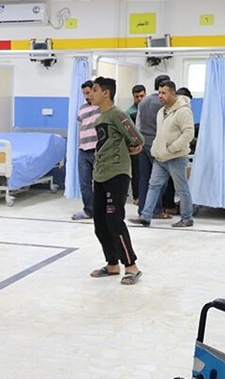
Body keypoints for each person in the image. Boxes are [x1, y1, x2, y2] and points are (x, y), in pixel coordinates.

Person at [87, 77, 144, 286]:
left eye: (94, 90)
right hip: (100, 174)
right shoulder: (99, 119)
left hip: (117, 174)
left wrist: (131, 149)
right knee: (100, 223)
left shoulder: (118, 114)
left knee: (114, 220)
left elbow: (137, 138)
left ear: (106, 93)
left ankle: (131, 266)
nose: (90, 94)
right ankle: (112, 264)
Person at [131, 80, 195, 228]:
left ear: (173, 93)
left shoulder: (183, 111)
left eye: (163, 93)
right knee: (153, 186)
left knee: (181, 188)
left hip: (176, 157)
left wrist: (172, 148)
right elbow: (160, 133)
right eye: (159, 92)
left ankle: (187, 217)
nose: (160, 96)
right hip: (160, 157)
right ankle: (146, 216)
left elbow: (188, 134)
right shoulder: (161, 111)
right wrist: (156, 148)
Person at [136, 74, 171, 218]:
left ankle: (142, 209)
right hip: (157, 144)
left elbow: (138, 124)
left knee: (144, 179)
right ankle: (156, 210)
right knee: (159, 180)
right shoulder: (163, 103)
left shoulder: (143, 101)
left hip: (143, 142)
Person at [72, 80, 99, 221]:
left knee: (99, 183)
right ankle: (89, 210)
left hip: (97, 150)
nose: (87, 96)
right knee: (84, 183)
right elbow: (81, 126)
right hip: (83, 150)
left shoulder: (101, 107)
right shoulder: (82, 109)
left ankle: (100, 210)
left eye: (88, 93)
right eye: (84, 94)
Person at [125, 84, 146, 205]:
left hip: (148, 145)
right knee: (136, 172)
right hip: (135, 147)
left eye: (142, 96)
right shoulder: (129, 113)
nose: (139, 99)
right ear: (133, 97)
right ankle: (137, 196)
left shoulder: (149, 109)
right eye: (137, 96)